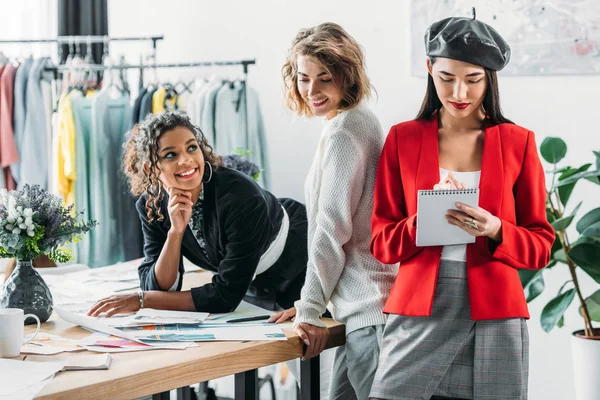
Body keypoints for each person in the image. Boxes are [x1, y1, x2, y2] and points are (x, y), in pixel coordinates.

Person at [368, 13, 554, 400]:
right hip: (419, 304)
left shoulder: (518, 142)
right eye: (446, 78)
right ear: (429, 69)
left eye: (473, 80)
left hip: (495, 311)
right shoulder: (402, 139)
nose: (459, 93)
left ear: (490, 78)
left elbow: (540, 247)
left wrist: (496, 229)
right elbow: (382, 244)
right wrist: (425, 220)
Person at [271, 22, 397, 399]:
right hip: (359, 310)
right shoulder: (353, 121)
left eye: (324, 78)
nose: (311, 90)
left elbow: (331, 229)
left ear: (347, 75)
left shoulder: (346, 130)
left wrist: (309, 308)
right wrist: (312, 302)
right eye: (303, 77)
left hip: (369, 311)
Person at [88, 111, 308, 316]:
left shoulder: (241, 196)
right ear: (151, 168)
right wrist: (175, 233)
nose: (186, 160)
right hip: (246, 276)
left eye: (192, 148)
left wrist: (142, 300)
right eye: (171, 154)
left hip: (295, 259)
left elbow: (224, 297)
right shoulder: (152, 204)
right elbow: (157, 286)